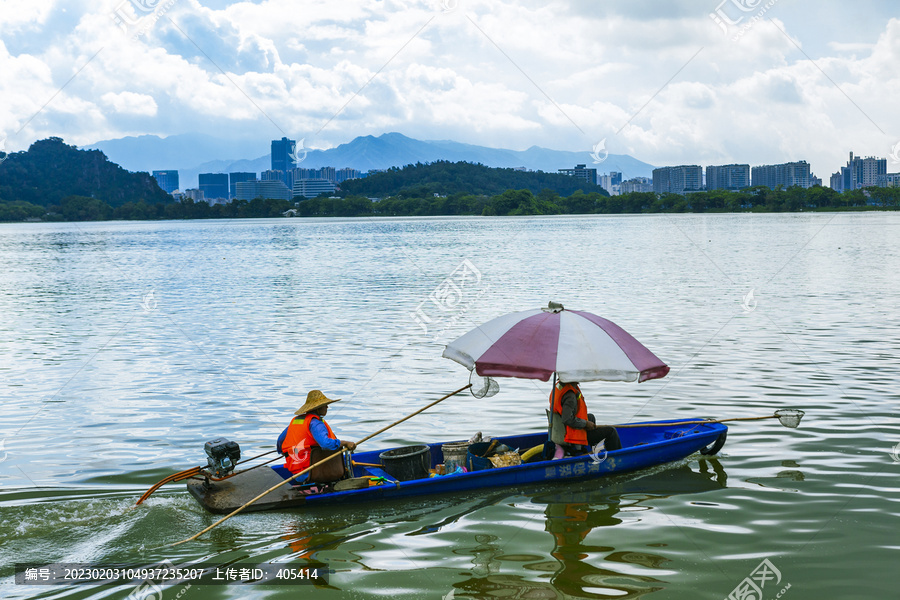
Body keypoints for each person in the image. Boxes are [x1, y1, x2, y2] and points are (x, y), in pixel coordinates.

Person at [273, 390, 356, 484]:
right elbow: (326, 444)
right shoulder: (316, 423)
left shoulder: (297, 421)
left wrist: (283, 452)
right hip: (313, 472)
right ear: (318, 408)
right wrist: (345, 443)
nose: (327, 407)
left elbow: (280, 440)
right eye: (325, 405)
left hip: (296, 472)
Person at [549, 380, 621, 456]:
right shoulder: (570, 396)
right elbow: (567, 419)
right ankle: (618, 458)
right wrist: (585, 424)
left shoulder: (559, 386)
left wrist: (586, 422)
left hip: (561, 430)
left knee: (590, 417)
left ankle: (595, 450)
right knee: (611, 431)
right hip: (571, 435)